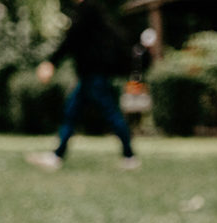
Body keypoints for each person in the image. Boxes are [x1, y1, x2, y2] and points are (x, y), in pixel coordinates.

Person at [27, 0, 138, 171]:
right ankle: (57, 155)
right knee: (72, 113)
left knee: (110, 113)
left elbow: (71, 40)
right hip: (90, 75)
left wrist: (51, 62)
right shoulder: (93, 10)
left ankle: (129, 156)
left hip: (94, 75)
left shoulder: (88, 10)